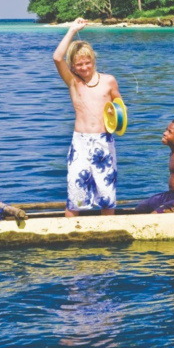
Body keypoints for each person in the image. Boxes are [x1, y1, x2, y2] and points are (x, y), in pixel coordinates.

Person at [53, 17, 122, 216]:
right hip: (80, 143)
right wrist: (72, 30)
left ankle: (108, 235)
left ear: (93, 60)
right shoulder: (74, 82)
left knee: (106, 196)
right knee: (76, 195)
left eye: (87, 62)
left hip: (104, 141)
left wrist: (116, 118)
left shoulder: (109, 81)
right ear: (73, 66)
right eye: (79, 64)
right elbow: (57, 58)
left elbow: (119, 106)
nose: (84, 67)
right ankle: (71, 237)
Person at [135, 119, 174, 221]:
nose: (164, 133)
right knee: (141, 209)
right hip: (171, 195)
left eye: (169, 132)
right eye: (166, 130)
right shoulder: (173, 153)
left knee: (153, 217)